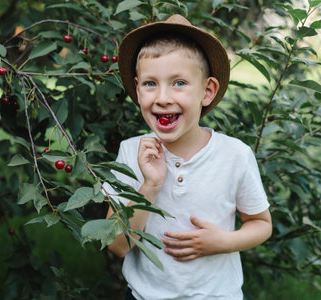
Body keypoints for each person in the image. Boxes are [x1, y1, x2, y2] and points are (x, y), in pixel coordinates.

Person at [104, 14, 272, 300]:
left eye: (179, 83)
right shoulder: (132, 152)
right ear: (136, 88)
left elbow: (261, 223)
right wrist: (150, 186)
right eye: (150, 84)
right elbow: (118, 245)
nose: (163, 97)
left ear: (207, 91)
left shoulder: (235, 156)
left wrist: (225, 241)